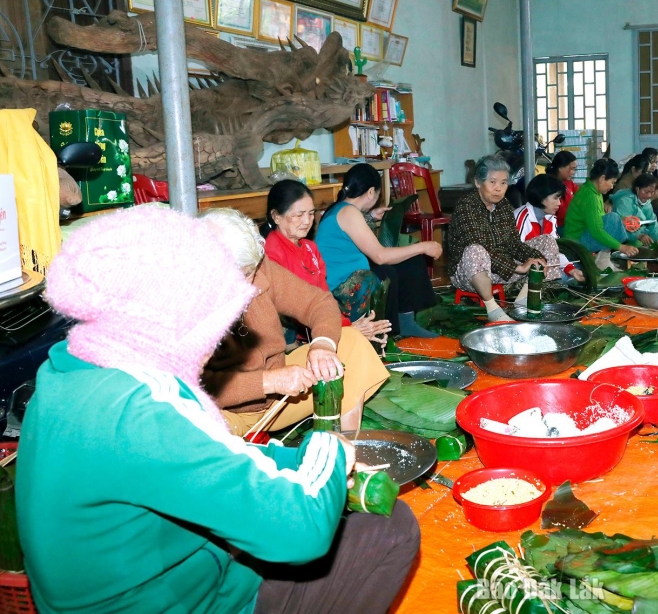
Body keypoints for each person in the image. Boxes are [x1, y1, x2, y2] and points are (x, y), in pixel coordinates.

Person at [18, 205, 418, 613]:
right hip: (183, 602)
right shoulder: (146, 408)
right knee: (392, 528)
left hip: (155, 579)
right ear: (186, 315)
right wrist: (328, 452)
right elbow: (301, 532)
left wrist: (291, 458)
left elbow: (207, 456)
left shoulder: (68, 369)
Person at [202, 208, 389, 436]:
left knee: (351, 342)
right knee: (191, 422)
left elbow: (317, 302)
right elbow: (191, 384)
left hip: (281, 400)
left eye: (251, 272)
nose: (250, 284)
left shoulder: (260, 268)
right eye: (241, 275)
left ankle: (346, 445)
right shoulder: (179, 301)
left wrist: (323, 345)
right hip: (224, 413)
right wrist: (267, 382)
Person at [316, 164, 440, 338]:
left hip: (350, 276)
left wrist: (371, 216)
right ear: (370, 192)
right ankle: (390, 330)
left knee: (408, 262)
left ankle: (406, 324)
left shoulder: (341, 208)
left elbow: (350, 230)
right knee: (388, 270)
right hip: (342, 287)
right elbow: (380, 256)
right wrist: (423, 246)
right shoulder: (349, 213)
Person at [262, 179, 393, 343]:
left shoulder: (310, 248)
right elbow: (293, 306)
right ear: (276, 217)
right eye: (299, 215)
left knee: (368, 281)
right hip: (293, 329)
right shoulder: (271, 254)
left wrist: (345, 324)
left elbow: (323, 295)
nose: (307, 221)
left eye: (310, 213)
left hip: (317, 316)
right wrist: (343, 329)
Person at [447, 155, 561, 322]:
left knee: (547, 241)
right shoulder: (466, 207)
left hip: (502, 270)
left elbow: (514, 243)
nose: (498, 188)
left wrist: (536, 259)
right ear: (478, 183)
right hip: (470, 273)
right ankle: (492, 308)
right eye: (492, 182)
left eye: (503, 183)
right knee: (475, 250)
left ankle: (524, 298)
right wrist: (519, 267)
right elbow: (483, 248)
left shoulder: (503, 206)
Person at [563, 158, 640, 268]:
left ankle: (603, 257)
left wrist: (622, 220)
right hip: (576, 244)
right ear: (602, 178)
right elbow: (596, 231)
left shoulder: (594, 192)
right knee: (613, 218)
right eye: (612, 182)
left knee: (615, 218)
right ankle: (603, 260)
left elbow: (599, 220)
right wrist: (622, 247)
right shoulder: (590, 196)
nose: (612, 187)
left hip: (583, 237)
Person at [514, 174, 585, 283]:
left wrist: (572, 270)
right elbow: (515, 253)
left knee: (575, 269)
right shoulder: (522, 217)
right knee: (563, 278)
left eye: (560, 199)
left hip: (540, 267)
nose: (559, 203)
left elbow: (554, 251)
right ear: (542, 196)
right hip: (519, 270)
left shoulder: (550, 218)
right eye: (556, 198)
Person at [612, 173, 658, 240]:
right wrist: (639, 236)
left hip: (642, 230)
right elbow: (624, 226)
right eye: (646, 192)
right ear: (637, 189)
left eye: (652, 192)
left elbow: (652, 221)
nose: (649, 195)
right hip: (625, 237)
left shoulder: (645, 201)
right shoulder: (625, 201)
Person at [546, 150, 578, 229]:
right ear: (560, 168)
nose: (573, 172)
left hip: (571, 223)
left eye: (574, 169)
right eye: (571, 169)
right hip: (558, 227)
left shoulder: (568, 182)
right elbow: (560, 213)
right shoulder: (549, 185)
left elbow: (582, 195)